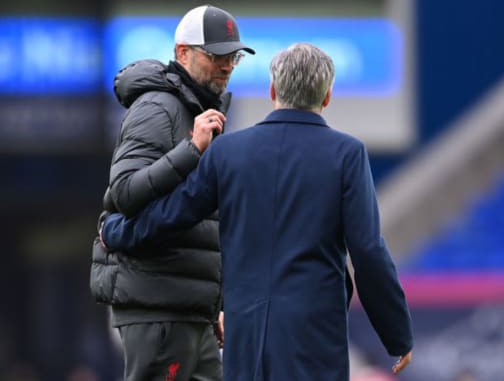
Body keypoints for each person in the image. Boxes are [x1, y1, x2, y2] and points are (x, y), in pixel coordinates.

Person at [99, 43, 414, 381]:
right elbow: (367, 251)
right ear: (327, 97)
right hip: (314, 339)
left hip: (245, 338)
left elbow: (172, 215)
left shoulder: (228, 152)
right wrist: (396, 335)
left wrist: (117, 231)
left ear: (273, 90)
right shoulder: (347, 155)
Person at [90, 4, 255, 381]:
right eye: (216, 55)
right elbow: (125, 193)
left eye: (232, 57)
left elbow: (209, 221)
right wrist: (191, 149)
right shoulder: (156, 107)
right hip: (159, 306)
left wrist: (217, 304)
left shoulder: (199, 110)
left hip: (191, 309)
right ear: (183, 53)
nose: (227, 65)